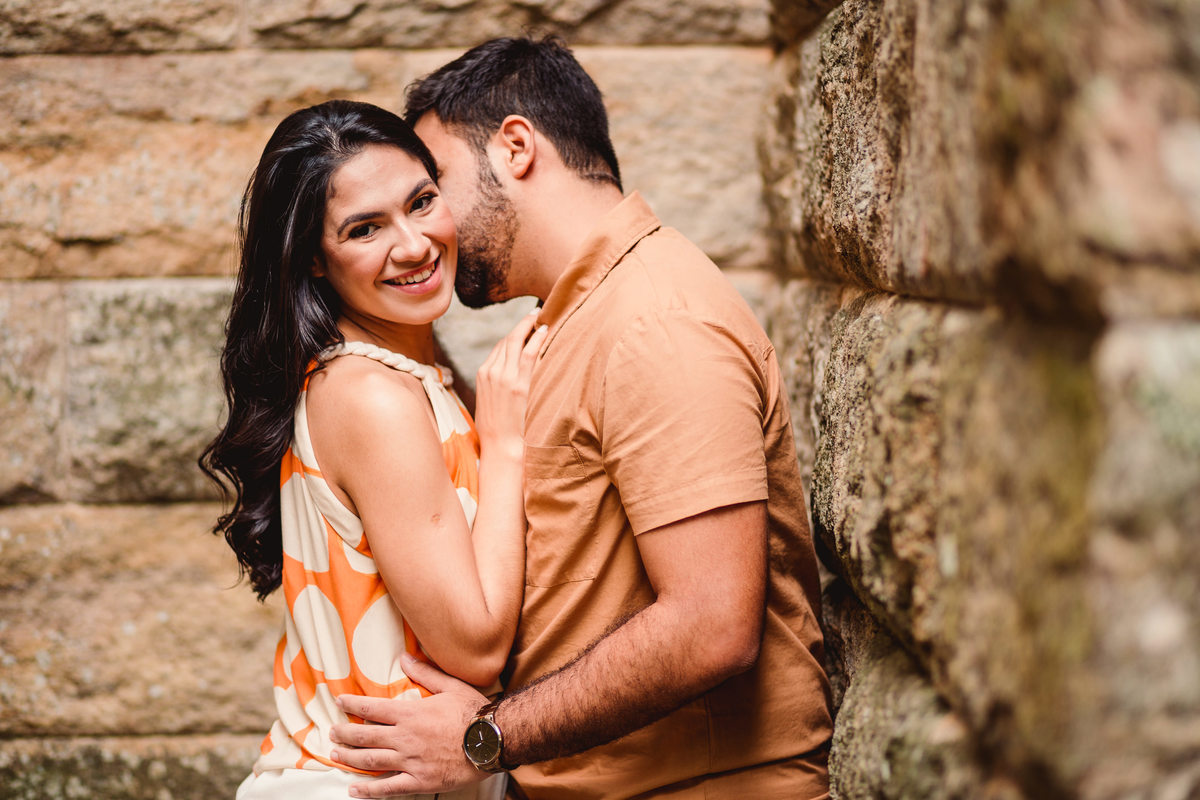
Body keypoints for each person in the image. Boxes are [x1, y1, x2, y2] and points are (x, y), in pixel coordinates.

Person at [329, 36, 834, 800]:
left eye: (435, 187)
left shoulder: (654, 320)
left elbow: (711, 624)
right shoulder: (576, 319)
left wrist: (488, 737)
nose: (431, 228)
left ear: (517, 147)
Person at [200, 98, 547, 799]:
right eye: (364, 229)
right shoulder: (368, 395)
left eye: (422, 201)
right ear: (315, 262)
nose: (414, 245)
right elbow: (474, 646)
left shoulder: (405, 375)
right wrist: (507, 445)